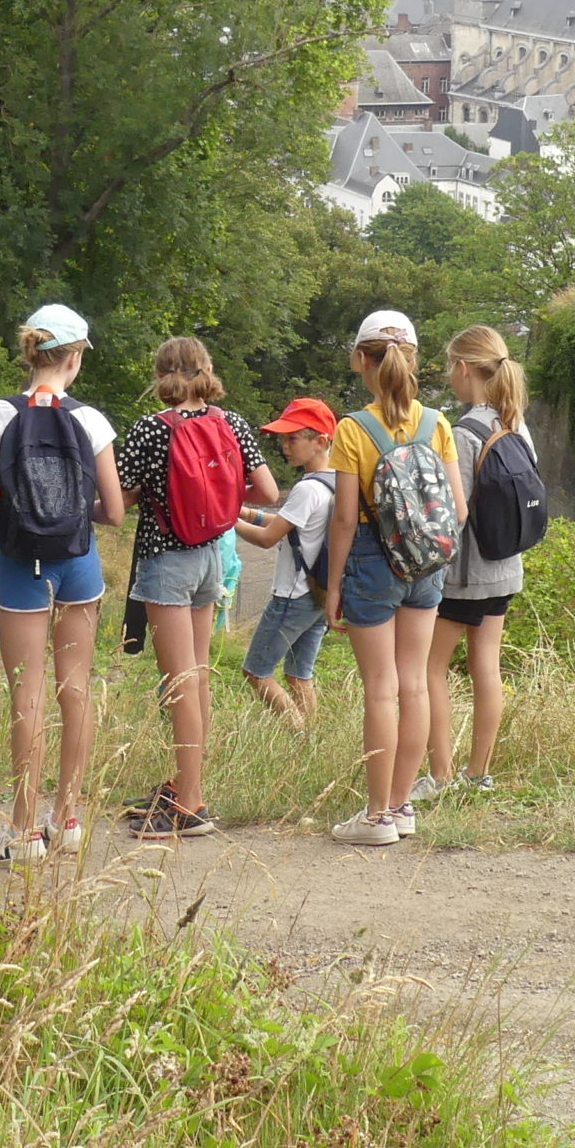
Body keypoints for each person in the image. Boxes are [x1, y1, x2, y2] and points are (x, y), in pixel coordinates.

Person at [0, 304, 124, 863]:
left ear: (30, 353)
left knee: (26, 695)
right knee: (74, 689)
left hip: (17, 563)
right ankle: (71, 817)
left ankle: (24, 831)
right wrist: (75, 511)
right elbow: (115, 511)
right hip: (78, 562)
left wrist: (20, 516)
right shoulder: (92, 420)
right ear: (75, 357)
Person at [116, 336, 277, 841]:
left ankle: (190, 804)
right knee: (199, 677)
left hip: (167, 559)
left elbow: (119, 501)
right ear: (207, 370)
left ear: (161, 375)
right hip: (214, 555)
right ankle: (188, 784)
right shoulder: (231, 424)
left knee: (178, 682)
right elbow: (269, 492)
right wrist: (220, 495)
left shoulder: (149, 429)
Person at [321, 311, 465, 848]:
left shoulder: (352, 428)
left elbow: (343, 517)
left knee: (380, 689)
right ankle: (403, 807)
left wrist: (334, 585)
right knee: (414, 683)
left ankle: (376, 817)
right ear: (414, 360)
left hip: (371, 559)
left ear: (362, 359)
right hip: (427, 565)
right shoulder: (439, 424)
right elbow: (459, 508)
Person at [417, 327, 534, 799]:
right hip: (506, 568)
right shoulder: (516, 424)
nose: (450, 376)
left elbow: (456, 512)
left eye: (451, 367)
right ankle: (478, 774)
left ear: (464, 368)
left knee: (431, 669)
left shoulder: (463, 432)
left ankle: (441, 777)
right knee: (487, 667)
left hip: (465, 576)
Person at [230, 398, 340, 726]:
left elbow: (268, 539)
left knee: (257, 671)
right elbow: (292, 527)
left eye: (292, 438)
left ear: (321, 441)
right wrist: (248, 513)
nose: (284, 446)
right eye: (282, 439)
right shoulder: (337, 482)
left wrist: (225, 520)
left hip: (292, 597)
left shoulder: (307, 489)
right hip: (320, 594)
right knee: (299, 675)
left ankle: (297, 732)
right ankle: (306, 747)